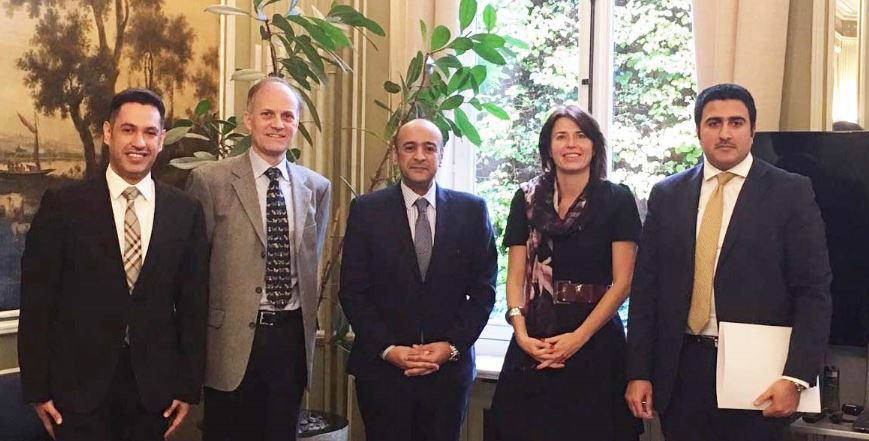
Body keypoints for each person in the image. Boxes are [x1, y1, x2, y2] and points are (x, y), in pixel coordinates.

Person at [625, 83, 832, 440]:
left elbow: (813, 292)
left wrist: (797, 376)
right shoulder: (667, 194)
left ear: (752, 131)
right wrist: (639, 371)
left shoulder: (790, 192)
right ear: (698, 131)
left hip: (759, 374)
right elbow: (646, 291)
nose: (724, 133)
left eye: (736, 122)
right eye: (714, 123)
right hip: (680, 372)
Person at [18, 88, 209, 441]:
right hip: (76, 391)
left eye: (149, 132)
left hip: (154, 394)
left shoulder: (185, 211)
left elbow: (193, 306)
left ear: (161, 139)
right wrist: (37, 390)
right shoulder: (63, 205)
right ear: (108, 133)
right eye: (128, 130)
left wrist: (188, 386)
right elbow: (38, 300)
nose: (139, 142)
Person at [186, 76, 331, 441]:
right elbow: (193, 273)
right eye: (267, 114)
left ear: (297, 124)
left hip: (290, 344)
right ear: (248, 119)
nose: (278, 124)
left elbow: (311, 261)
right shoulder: (211, 181)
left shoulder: (316, 187)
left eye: (287, 116)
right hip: (231, 345)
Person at [489, 105, 642, 441]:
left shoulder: (617, 199)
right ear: (548, 147)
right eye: (561, 137)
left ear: (594, 146)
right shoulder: (525, 199)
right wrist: (521, 334)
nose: (571, 144)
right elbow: (515, 277)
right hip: (534, 344)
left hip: (595, 343)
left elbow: (624, 282)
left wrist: (577, 339)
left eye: (580, 136)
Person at [339, 119, 497, 441]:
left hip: (447, 375)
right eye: (410, 147)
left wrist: (450, 347)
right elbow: (353, 292)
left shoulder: (472, 211)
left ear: (441, 155)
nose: (420, 156)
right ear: (396, 154)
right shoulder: (367, 211)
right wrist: (389, 349)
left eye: (429, 148)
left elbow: (484, 292)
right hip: (383, 374)